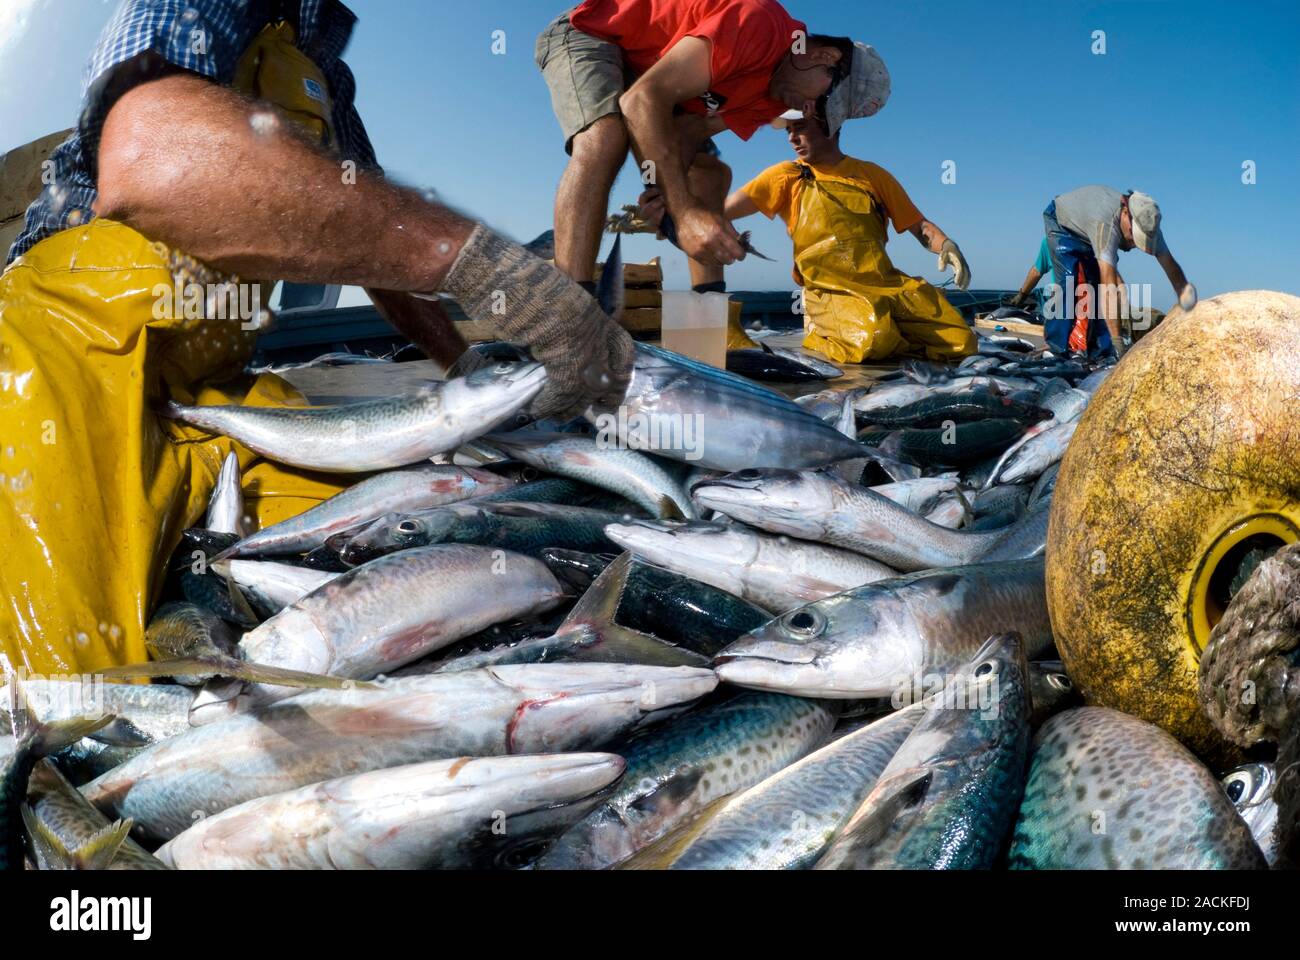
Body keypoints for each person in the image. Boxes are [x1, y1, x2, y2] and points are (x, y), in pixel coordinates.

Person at [0, 0, 632, 675]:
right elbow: (149, 159)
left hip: (224, 386)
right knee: (64, 692)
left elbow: (374, 249)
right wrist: (474, 260)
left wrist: (465, 361)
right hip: (74, 345)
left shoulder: (328, 74)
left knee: (424, 561)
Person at [536, 0, 890, 299]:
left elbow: (689, 132)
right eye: (823, 101)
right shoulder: (761, 24)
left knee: (710, 174)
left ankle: (709, 312)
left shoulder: (772, 100)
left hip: (654, 78)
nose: (809, 111)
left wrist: (663, 197)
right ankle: (572, 312)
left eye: (823, 116)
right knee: (605, 138)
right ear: (824, 55)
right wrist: (686, 214)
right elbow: (642, 99)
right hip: (592, 34)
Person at [716, 114, 975, 363]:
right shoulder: (786, 176)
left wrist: (947, 245)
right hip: (830, 290)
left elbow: (920, 227)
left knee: (962, 342)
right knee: (873, 339)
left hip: (887, 285)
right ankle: (824, 331)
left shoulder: (872, 174)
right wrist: (712, 226)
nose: (792, 138)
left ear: (830, 126)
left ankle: (886, 332)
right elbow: (721, 211)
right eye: (789, 131)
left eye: (801, 127)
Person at [1037, 185, 1196, 357]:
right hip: (1062, 222)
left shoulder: (1150, 225)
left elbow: (1171, 267)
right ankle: (1056, 347)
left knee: (1094, 288)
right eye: (1133, 235)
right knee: (1072, 282)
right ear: (1125, 212)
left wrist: (1189, 306)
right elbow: (1109, 288)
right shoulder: (1105, 226)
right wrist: (1118, 341)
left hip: (1088, 229)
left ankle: (1101, 350)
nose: (1134, 243)